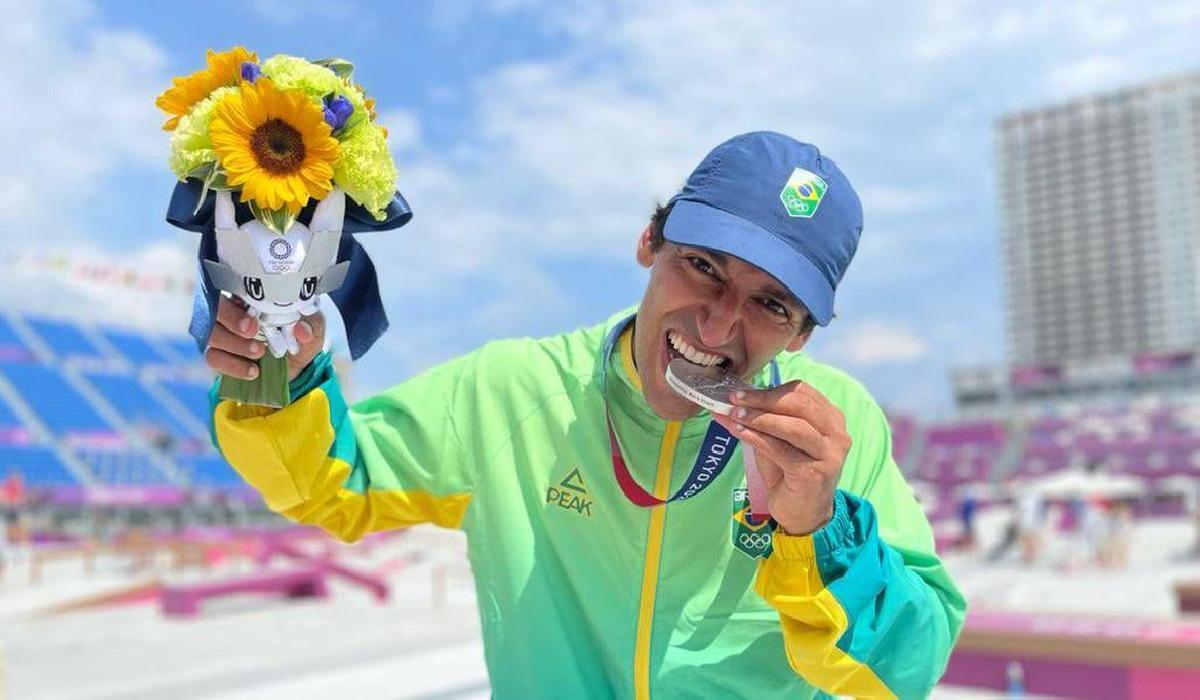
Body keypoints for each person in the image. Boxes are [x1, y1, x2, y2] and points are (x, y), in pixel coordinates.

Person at [205, 132, 966, 698]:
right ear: (649, 243)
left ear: (801, 335)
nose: (716, 327)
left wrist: (819, 530)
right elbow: (334, 484)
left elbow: (903, 674)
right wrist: (278, 370)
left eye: (771, 304)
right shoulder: (509, 391)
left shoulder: (836, 431)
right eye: (703, 266)